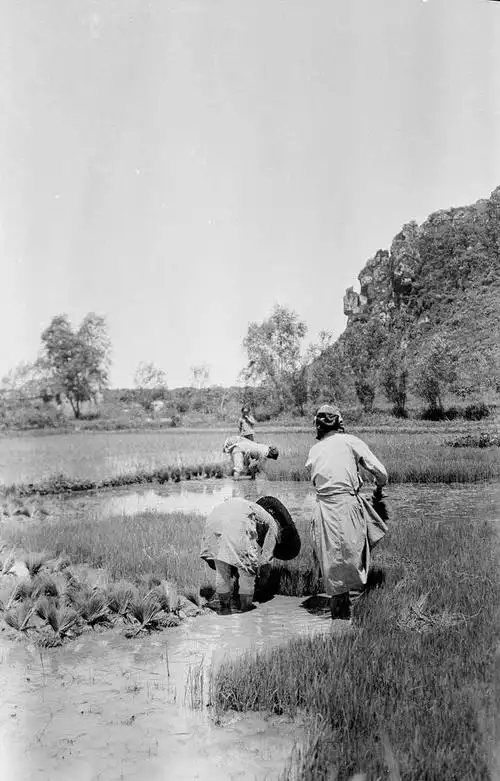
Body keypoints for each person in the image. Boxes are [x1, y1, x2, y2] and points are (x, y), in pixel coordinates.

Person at [305, 404, 388, 621]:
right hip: (346, 505)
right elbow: (381, 472)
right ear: (340, 423)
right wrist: (379, 486)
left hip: (322, 510)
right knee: (353, 559)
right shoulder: (350, 441)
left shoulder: (315, 450)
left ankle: (340, 619)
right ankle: (352, 620)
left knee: (332, 566)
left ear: (318, 426)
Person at [200, 496, 297, 614]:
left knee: (222, 568)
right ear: (282, 530)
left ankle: (224, 607)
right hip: (237, 521)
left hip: (214, 518)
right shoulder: (273, 526)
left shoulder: (256, 511)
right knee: (247, 571)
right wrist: (261, 582)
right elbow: (266, 561)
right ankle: (246, 609)